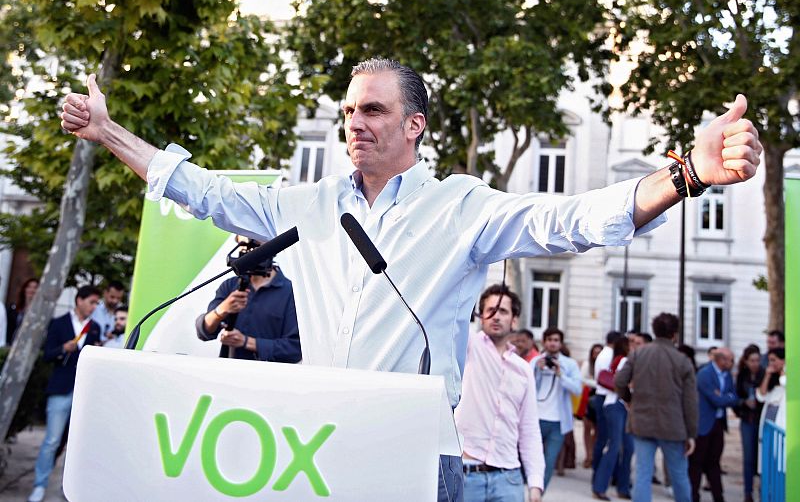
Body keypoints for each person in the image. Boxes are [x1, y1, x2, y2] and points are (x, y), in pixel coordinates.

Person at [60, 59, 762, 501]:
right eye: (347, 111)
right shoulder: (305, 203)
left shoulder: (460, 207)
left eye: (372, 109)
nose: (353, 123)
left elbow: (570, 220)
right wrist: (108, 129)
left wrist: (688, 175)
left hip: (419, 459)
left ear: (415, 124)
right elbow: (201, 190)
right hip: (312, 452)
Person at [455, 285, 544, 502]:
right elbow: (453, 315)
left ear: (514, 320)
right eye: (490, 311)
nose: (496, 316)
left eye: (503, 311)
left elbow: (529, 428)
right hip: (467, 476)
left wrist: (535, 483)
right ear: (481, 317)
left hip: (509, 479)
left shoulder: (523, 369)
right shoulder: (467, 347)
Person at [27, 285, 102, 502]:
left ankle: (68, 488)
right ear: (79, 300)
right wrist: (63, 349)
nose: (94, 306)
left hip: (85, 393)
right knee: (51, 441)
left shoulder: (94, 327)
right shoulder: (59, 323)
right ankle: (39, 485)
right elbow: (47, 355)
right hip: (60, 389)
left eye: (97, 303)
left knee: (76, 444)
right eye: (92, 302)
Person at [614, 313, 697, 502]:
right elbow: (690, 400)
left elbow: (619, 380)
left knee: (643, 473)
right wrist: (691, 433)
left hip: (642, 420)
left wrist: (629, 399)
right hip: (673, 425)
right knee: (679, 475)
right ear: (675, 334)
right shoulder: (682, 360)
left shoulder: (638, 354)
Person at [195, 243, 301, 362]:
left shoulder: (290, 292)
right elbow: (203, 332)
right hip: (229, 373)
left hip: (269, 376)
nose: (250, 252)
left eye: (256, 246)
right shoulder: (230, 285)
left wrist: (246, 342)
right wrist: (222, 310)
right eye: (245, 247)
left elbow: (294, 349)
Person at [530, 327, 582, 489]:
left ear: (560, 343)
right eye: (550, 340)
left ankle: (537, 495)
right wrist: (537, 370)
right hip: (536, 418)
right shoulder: (535, 361)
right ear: (544, 342)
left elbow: (577, 389)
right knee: (532, 461)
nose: (553, 343)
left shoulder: (569, 364)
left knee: (550, 461)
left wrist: (561, 374)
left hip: (558, 422)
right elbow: (527, 387)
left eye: (556, 340)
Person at [689, 347, 739, 502]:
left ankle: (718, 497)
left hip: (718, 423)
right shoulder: (705, 374)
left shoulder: (727, 375)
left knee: (714, 462)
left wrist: (725, 396)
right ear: (721, 359)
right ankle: (693, 496)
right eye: (730, 359)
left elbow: (734, 397)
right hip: (703, 424)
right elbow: (715, 399)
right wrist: (726, 397)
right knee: (696, 463)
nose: (733, 362)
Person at [592, 336, 633, 500]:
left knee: (628, 447)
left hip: (619, 404)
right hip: (617, 403)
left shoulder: (619, 359)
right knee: (615, 445)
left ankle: (622, 486)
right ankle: (600, 486)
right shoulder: (624, 361)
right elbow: (622, 383)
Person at [592, 330, 623, 479]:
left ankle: (599, 470)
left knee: (603, 437)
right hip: (606, 396)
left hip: (601, 395)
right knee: (606, 438)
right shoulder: (610, 355)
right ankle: (599, 471)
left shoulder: (603, 354)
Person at [735, 345, 764, 502]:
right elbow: (736, 397)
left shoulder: (764, 374)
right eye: (752, 360)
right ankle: (748, 492)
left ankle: (762, 488)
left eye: (757, 360)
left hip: (760, 419)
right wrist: (743, 404)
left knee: (760, 456)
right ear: (746, 361)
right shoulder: (742, 376)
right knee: (748, 458)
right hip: (747, 420)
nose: (755, 363)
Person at [580, 343, 603, 468]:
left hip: (599, 398)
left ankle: (593, 453)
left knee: (598, 429)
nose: (597, 355)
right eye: (595, 352)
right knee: (587, 427)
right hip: (588, 397)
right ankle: (588, 454)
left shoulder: (605, 364)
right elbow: (582, 379)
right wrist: (597, 383)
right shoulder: (587, 365)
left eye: (599, 352)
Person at [6, 277, 39, 345]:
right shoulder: (13, 309)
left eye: (35, 287)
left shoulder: (40, 312)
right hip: (11, 345)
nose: (32, 290)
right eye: (29, 287)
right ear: (24, 289)